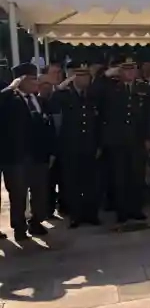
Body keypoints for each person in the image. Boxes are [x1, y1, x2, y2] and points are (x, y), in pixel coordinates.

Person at [91, 57, 150, 225]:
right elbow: (93, 94)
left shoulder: (143, 87)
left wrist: (149, 137)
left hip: (137, 139)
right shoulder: (110, 87)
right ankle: (122, 211)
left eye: (132, 68)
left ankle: (136, 209)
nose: (130, 72)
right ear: (120, 71)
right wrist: (105, 75)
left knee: (137, 176)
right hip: (116, 140)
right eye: (126, 69)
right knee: (119, 178)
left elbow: (149, 114)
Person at [0, 63, 55, 241]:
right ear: (20, 81)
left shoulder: (39, 101)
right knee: (18, 194)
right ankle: (19, 227)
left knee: (39, 192)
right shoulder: (9, 101)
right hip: (16, 157)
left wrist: (50, 151)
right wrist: (10, 88)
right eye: (31, 79)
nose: (36, 83)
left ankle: (36, 222)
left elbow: (48, 127)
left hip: (38, 155)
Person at [48, 62, 101, 227]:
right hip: (70, 147)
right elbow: (54, 115)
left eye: (87, 75)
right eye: (81, 75)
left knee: (91, 182)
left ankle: (91, 214)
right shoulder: (63, 95)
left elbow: (98, 122)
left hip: (90, 146)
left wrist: (98, 144)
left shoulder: (92, 95)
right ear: (74, 77)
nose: (85, 79)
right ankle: (75, 215)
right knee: (72, 183)